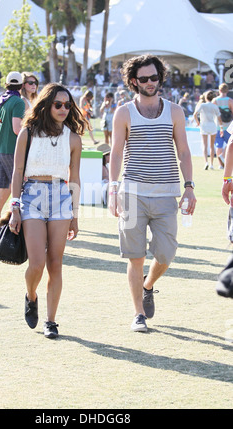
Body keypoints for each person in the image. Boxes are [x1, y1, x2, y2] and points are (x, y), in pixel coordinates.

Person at [109, 54, 197, 332]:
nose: (150, 83)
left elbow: (183, 150)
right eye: (144, 78)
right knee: (136, 257)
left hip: (166, 193)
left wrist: (190, 186)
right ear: (134, 81)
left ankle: (148, 285)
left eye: (154, 77)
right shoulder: (123, 112)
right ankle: (138, 315)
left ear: (160, 77)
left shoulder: (175, 111)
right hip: (132, 192)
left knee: (166, 254)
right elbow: (116, 152)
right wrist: (112, 189)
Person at [8, 83, 88, 339]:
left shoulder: (73, 139)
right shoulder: (28, 133)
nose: (64, 109)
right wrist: (15, 207)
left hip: (61, 197)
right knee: (37, 263)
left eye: (67, 105)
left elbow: (74, 177)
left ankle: (51, 321)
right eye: (58, 104)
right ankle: (31, 295)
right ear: (46, 104)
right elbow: (18, 171)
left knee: (56, 263)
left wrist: (75, 215)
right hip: (31, 195)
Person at [0, 71, 25, 237]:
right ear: (22, 85)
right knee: (18, 187)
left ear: (6, 84)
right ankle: (14, 222)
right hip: (12, 150)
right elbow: (17, 128)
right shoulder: (18, 101)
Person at [193, 90, 223, 170]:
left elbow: (195, 114)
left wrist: (198, 122)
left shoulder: (202, 105)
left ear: (206, 98)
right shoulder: (215, 106)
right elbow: (219, 118)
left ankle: (206, 162)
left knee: (205, 145)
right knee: (212, 146)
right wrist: (221, 127)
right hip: (212, 126)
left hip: (204, 126)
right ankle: (211, 164)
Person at [212, 83, 233, 168]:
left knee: (218, 145)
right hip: (228, 126)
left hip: (217, 125)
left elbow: (213, 113)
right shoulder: (230, 101)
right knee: (229, 144)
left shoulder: (215, 100)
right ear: (227, 91)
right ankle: (225, 159)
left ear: (219, 90)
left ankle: (220, 164)